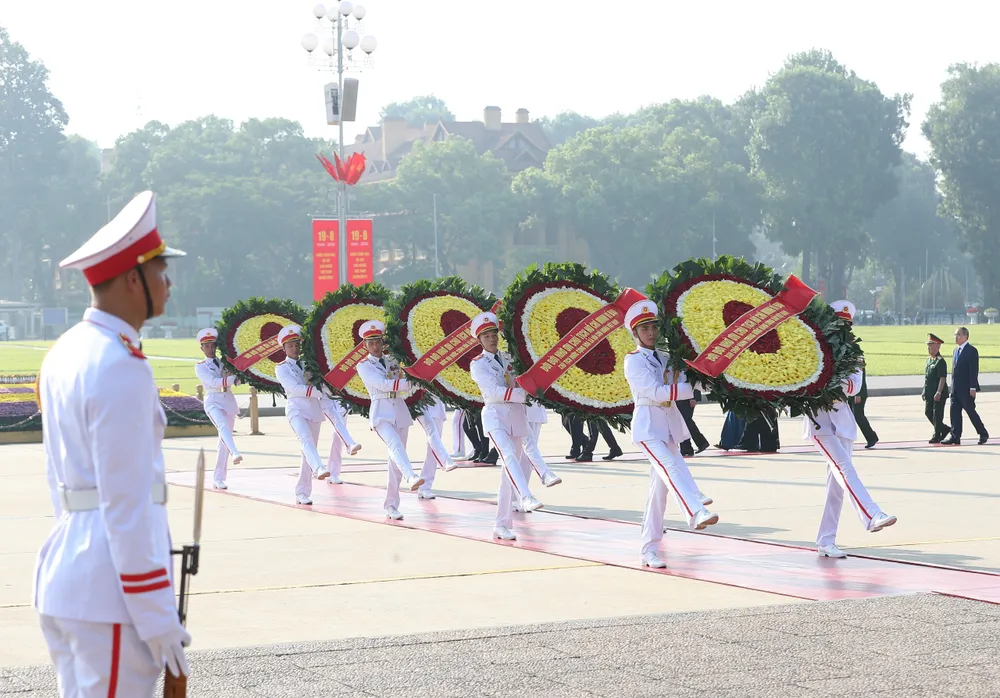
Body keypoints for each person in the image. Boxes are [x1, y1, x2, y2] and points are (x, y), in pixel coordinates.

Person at [34, 190, 191, 695]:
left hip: (70, 576)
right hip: (113, 593)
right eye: (159, 269)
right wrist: (160, 619)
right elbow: (128, 505)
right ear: (132, 279)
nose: (168, 282)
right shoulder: (120, 363)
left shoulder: (66, 351)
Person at [622, 299, 719, 569]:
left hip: (668, 426)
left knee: (658, 493)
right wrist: (689, 388)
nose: (650, 333)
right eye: (644, 329)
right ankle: (695, 510)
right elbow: (656, 392)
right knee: (671, 467)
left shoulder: (667, 358)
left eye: (653, 327)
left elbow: (685, 381)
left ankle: (648, 549)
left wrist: (708, 378)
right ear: (635, 333)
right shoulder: (633, 361)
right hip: (648, 426)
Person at [805, 302, 897, 559]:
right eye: (838, 321)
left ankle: (825, 540)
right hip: (819, 421)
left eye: (847, 323)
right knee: (845, 469)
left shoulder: (852, 351)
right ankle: (871, 515)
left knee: (836, 486)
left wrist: (832, 384)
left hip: (842, 422)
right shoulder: (815, 345)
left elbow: (854, 385)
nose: (843, 326)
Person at [468, 312, 544, 540]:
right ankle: (526, 495)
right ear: (479, 340)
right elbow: (492, 391)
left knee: (506, 473)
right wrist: (523, 394)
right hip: (494, 416)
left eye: (494, 334)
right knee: (509, 457)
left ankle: (501, 524)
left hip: (515, 416)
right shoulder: (478, 364)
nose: (492, 339)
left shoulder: (510, 357)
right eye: (487, 336)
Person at [275, 325, 361, 505]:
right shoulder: (281, 368)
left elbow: (321, 382)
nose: (294, 349)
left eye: (297, 345)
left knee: (308, 449)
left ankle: (302, 492)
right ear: (284, 348)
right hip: (296, 409)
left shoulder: (309, 364)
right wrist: (318, 392)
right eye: (290, 346)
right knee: (306, 441)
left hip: (313, 410)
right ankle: (319, 468)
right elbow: (293, 388)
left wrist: (326, 390)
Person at [354, 320, 426, 519]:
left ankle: (391, 505)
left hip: (400, 410)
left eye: (378, 341)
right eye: (371, 343)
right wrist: (410, 382)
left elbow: (406, 384)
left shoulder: (394, 360)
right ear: (364, 345)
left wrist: (418, 383)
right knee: (395, 446)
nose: (375, 346)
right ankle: (411, 476)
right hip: (381, 412)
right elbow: (383, 384)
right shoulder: (363, 365)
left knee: (395, 460)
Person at [194, 327, 243, 489]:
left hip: (228, 401)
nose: (210, 349)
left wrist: (241, 376)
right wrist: (232, 378)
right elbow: (214, 382)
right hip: (213, 401)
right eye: (206, 346)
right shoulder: (200, 366)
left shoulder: (225, 362)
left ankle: (218, 477)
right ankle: (235, 452)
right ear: (201, 348)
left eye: (212, 345)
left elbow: (236, 382)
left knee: (223, 442)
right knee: (223, 428)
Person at [830, 300, 878, 449]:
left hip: (855, 392)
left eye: (847, 325)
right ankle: (871, 436)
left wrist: (857, 393)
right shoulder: (833, 346)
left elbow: (858, 377)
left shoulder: (854, 350)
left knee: (857, 417)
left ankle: (871, 437)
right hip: (836, 404)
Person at [942, 327, 989, 445]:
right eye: (955, 335)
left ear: (965, 336)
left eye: (958, 335)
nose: (955, 337)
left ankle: (983, 433)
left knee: (971, 412)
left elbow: (974, 370)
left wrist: (972, 387)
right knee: (954, 413)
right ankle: (955, 436)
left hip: (967, 389)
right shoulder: (955, 351)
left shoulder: (971, 351)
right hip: (955, 389)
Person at [413, 393, 459, 500]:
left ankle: (425, 486)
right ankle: (446, 461)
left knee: (432, 446)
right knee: (433, 436)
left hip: (437, 406)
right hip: (421, 402)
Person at [922, 333, 951, 443]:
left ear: (938, 346)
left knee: (937, 415)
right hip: (930, 393)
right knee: (928, 412)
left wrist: (938, 392)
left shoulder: (940, 361)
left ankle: (937, 434)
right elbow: (927, 377)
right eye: (928, 345)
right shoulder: (929, 360)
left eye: (931, 345)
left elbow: (942, 378)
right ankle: (944, 429)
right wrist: (924, 390)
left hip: (938, 393)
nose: (928, 347)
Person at [677, 388, 710, 457]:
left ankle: (701, 442)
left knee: (686, 421)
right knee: (681, 423)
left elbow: (694, 379)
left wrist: (694, 397)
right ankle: (686, 448)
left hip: (688, 397)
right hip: (678, 396)